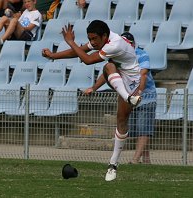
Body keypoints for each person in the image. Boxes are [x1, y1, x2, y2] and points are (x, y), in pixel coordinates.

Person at [42, 20, 142, 181]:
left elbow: (87, 60)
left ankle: (113, 163)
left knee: (121, 119)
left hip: (132, 80)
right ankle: (113, 166)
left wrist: (70, 41)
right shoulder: (104, 40)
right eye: (91, 39)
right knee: (109, 68)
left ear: (104, 36)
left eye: (95, 39)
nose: (93, 42)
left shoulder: (114, 44)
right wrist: (54, 56)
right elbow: (79, 51)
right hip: (121, 76)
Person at [121, 32, 157, 165]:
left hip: (146, 97)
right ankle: (146, 159)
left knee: (143, 129)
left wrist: (139, 92)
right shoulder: (120, 57)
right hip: (132, 98)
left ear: (133, 44)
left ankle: (135, 159)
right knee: (140, 130)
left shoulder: (141, 54)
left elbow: (143, 74)